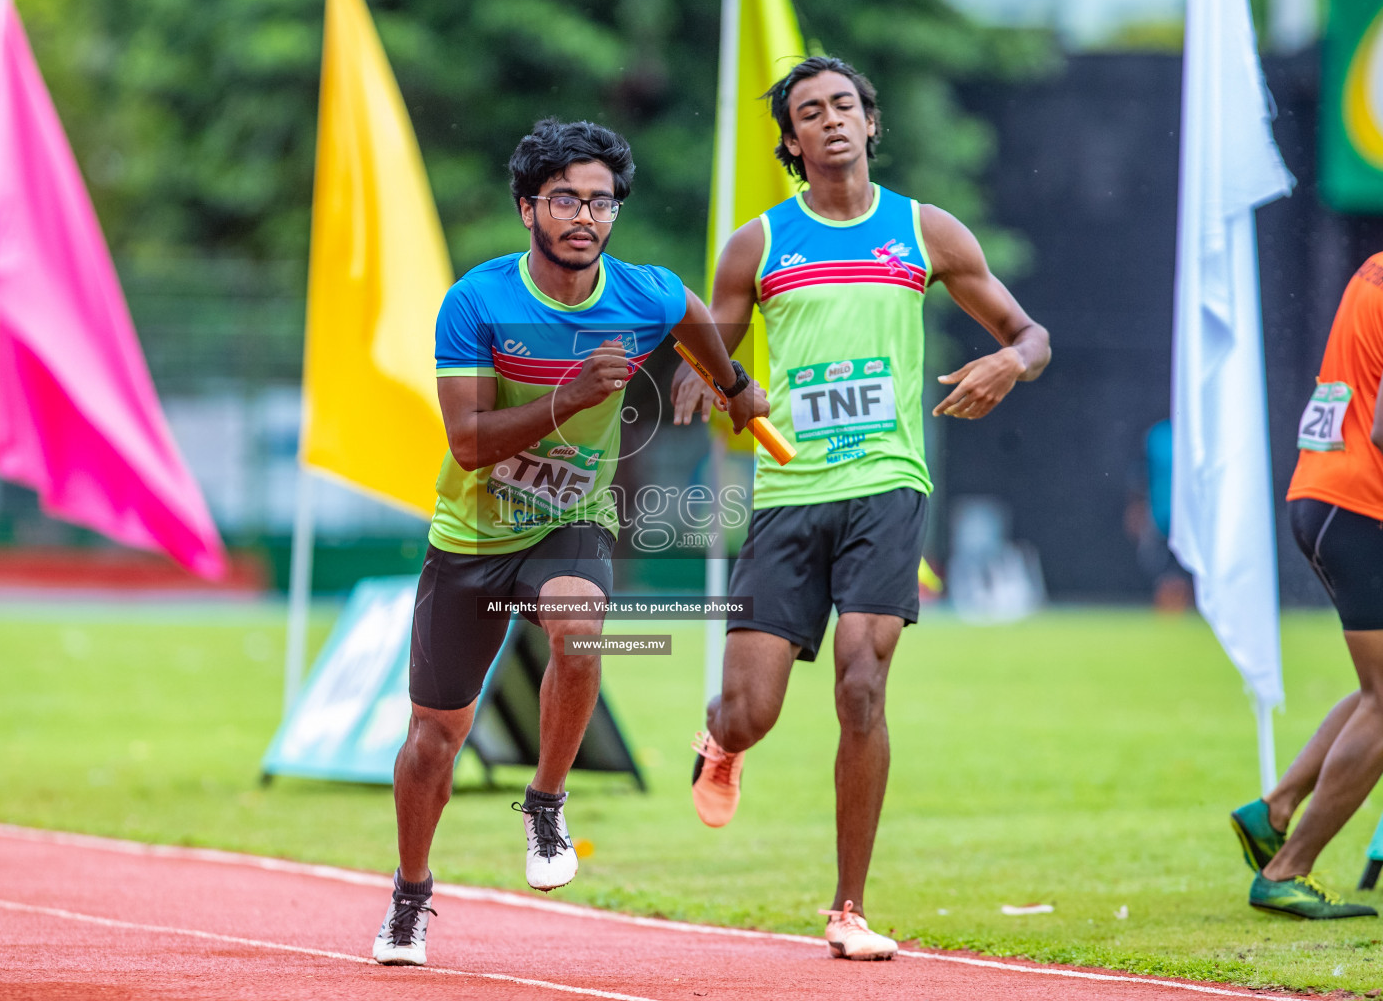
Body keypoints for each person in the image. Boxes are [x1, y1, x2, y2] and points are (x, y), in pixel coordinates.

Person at [673, 56, 1051, 960]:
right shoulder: (757, 245)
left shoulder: (923, 230)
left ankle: (848, 908)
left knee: (861, 683)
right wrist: (721, 388)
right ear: (793, 142)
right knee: (749, 711)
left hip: (887, 481)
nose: (833, 119)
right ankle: (719, 742)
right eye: (812, 111)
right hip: (790, 495)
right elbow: (716, 366)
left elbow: (1031, 334)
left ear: (871, 124)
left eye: (846, 105)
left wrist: (1009, 362)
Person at [373, 118, 768, 966]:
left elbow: (692, 314)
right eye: (565, 199)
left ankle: (546, 800)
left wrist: (732, 384)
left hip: (571, 521)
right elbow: (470, 443)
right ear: (528, 209)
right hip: (471, 535)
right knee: (432, 738)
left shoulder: (641, 293)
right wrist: (565, 397)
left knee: (581, 627)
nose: (585, 216)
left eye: (601, 201)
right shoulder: (478, 301)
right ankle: (410, 893)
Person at [1230, 253, 1383, 920]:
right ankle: (1288, 869)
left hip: (1325, 495)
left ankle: (1274, 810)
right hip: (1360, 504)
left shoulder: (1374, 266)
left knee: (1378, 689)